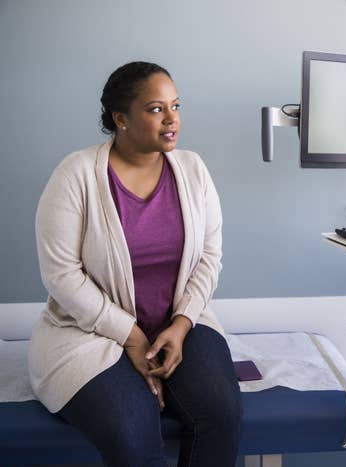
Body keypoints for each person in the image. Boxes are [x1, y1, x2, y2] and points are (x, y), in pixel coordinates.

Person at [28, 61, 241, 466]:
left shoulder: (193, 170)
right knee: (132, 431)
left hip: (180, 322)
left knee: (221, 415)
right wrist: (131, 336)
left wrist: (180, 326)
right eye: (156, 109)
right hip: (89, 333)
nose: (172, 119)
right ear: (120, 118)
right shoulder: (75, 175)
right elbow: (61, 273)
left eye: (176, 106)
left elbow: (209, 257)